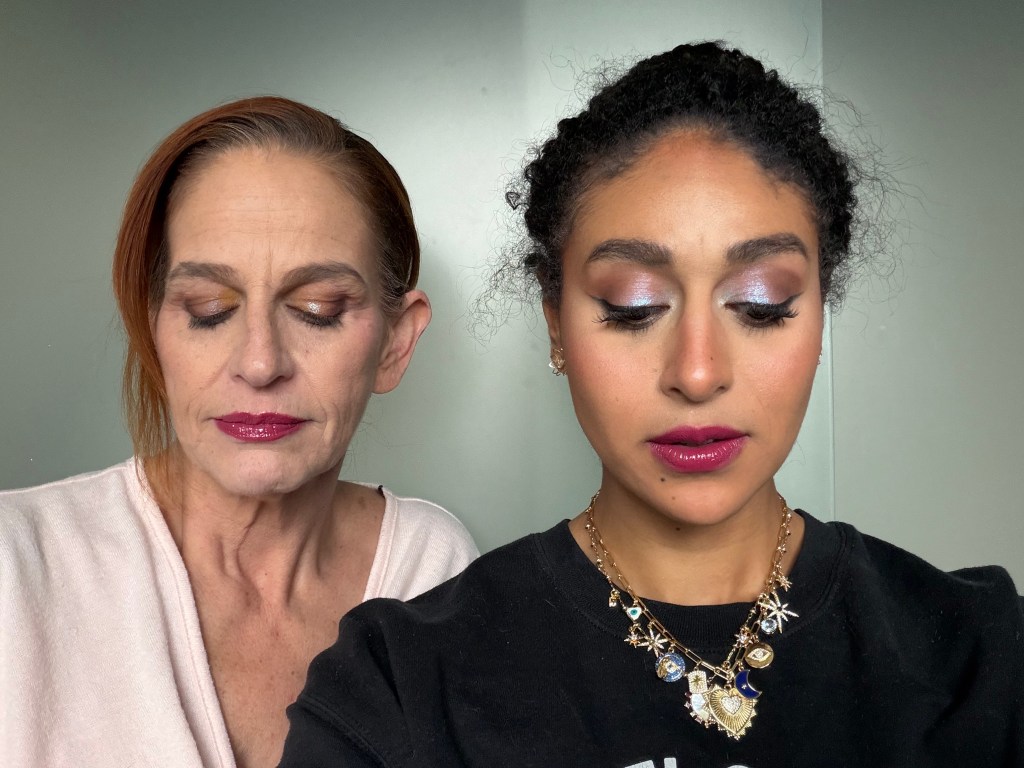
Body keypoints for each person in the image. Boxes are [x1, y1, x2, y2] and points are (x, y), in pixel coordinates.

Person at [279, 43, 1024, 767]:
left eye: (761, 305)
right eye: (633, 307)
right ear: (555, 324)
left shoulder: (983, 653)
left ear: (819, 315)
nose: (697, 374)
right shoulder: (398, 683)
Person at [0, 97, 478, 768]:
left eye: (317, 309)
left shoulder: (434, 568)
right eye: (208, 310)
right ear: (154, 330)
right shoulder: (16, 568)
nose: (259, 363)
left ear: (396, 342)